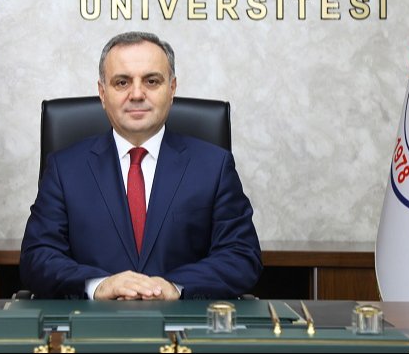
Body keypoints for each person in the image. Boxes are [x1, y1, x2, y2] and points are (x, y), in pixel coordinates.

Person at [20, 31, 262, 300]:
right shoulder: (64, 169)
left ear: (172, 89)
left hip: (184, 321)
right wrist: (99, 286)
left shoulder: (214, 166)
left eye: (152, 81)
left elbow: (241, 256)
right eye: (122, 82)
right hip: (93, 322)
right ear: (102, 93)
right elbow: (37, 257)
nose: (136, 94)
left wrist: (174, 287)